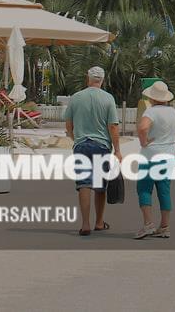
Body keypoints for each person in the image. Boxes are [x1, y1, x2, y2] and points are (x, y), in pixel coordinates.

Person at [64, 66, 122, 237]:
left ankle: (85, 224)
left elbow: (68, 125)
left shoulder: (76, 97)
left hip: (81, 145)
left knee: (83, 184)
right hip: (101, 146)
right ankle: (99, 222)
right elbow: (113, 126)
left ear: (87, 78)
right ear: (102, 80)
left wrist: (76, 139)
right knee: (99, 186)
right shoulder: (108, 98)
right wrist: (117, 150)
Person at [135, 80, 175, 238]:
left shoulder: (151, 112)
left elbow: (142, 128)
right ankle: (164, 226)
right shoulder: (172, 112)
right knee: (164, 191)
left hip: (151, 156)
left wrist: (143, 142)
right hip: (169, 155)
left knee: (144, 189)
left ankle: (148, 224)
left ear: (152, 97)